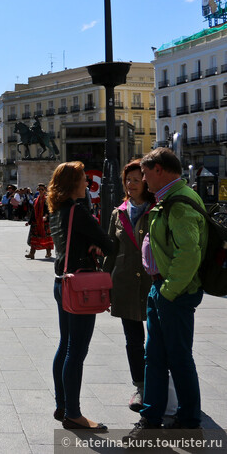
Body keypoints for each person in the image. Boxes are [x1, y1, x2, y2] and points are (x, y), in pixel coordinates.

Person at [128, 148, 207, 437]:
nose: (144, 181)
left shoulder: (180, 203)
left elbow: (189, 252)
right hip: (159, 287)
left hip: (174, 291)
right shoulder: (168, 199)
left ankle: (188, 419)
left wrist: (169, 290)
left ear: (160, 169)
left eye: (146, 174)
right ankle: (152, 417)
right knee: (155, 356)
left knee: (178, 357)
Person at [47, 161, 114, 431]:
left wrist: (89, 245)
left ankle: (62, 404)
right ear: (73, 183)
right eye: (84, 179)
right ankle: (74, 414)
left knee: (65, 345)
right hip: (80, 285)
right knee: (77, 350)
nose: (87, 183)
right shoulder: (78, 210)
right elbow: (108, 243)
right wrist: (95, 246)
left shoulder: (57, 210)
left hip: (61, 281)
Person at [104, 160, 154, 413]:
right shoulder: (118, 213)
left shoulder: (157, 209)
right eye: (128, 180)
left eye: (136, 179)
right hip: (123, 282)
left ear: (146, 181)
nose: (130, 184)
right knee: (133, 339)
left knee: (157, 338)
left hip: (152, 283)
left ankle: (161, 385)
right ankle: (141, 386)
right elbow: (112, 252)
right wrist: (105, 284)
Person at [25, 183, 53, 259]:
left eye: (42, 189)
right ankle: (32, 253)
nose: (40, 191)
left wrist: (46, 216)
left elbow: (49, 210)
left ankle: (48, 253)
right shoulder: (35, 200)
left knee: (46, 237)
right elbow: (33, 212)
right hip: (36, 221)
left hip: (44, 222)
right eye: (39, 189)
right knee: (34, 238)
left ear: (45, 190)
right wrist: (29, 222)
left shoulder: (47, 200)